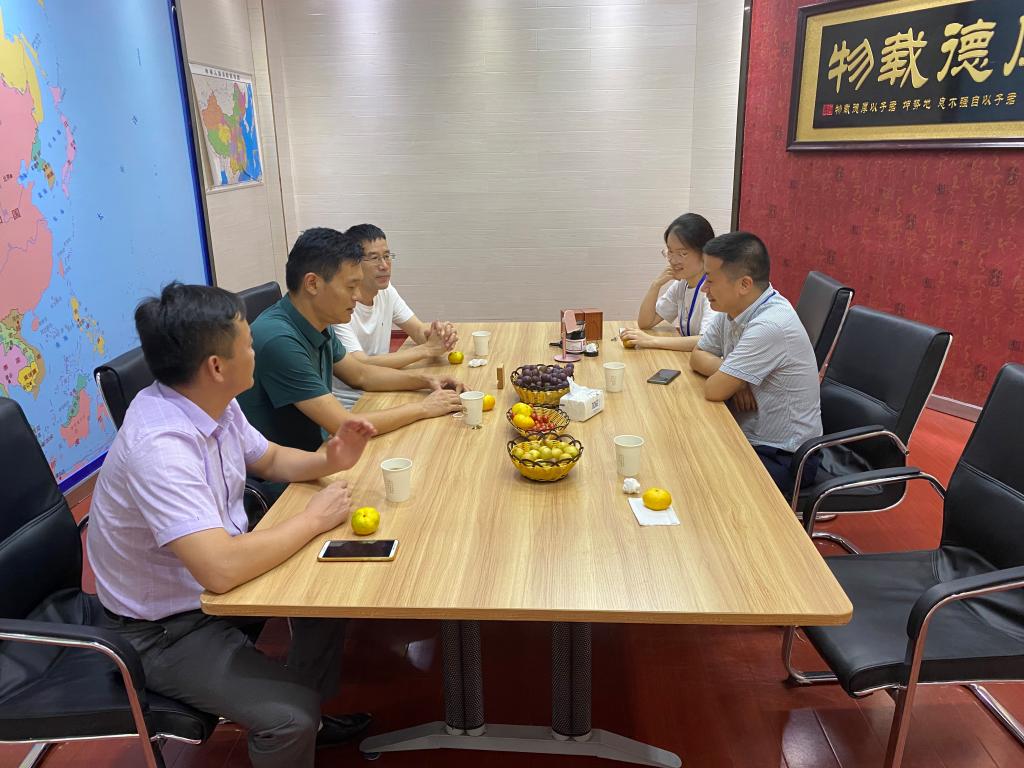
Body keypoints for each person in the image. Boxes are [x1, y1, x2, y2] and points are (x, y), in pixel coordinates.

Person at [87, 283, 377, 767]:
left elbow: (270, 458)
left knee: (329, 592)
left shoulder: (211, 401)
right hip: (163, 631)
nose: (255, 350)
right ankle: (299, 720)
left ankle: (310, 711)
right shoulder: (160, 446)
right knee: (288, 718)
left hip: (209, 591)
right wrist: (313, 518)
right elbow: (219, 570)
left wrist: (330, 458)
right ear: (216, 366)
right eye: (247, 343)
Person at [238, 227, 464, 461]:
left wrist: (426, 381)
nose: (357, 296)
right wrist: (423, 408)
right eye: (350, 286)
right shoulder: (279, 340)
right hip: (289, 471)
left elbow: (360, 374)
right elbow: (344, 425)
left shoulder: (318, 319)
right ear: (313, 284)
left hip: (318, 450)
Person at [689, 232, 822, 496]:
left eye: (711, 280)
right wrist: (738, 380)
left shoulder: (770, 325)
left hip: (784, 457)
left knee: (695, 473)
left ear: (744, 284)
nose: (704, 288)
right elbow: (697, 355)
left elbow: (714, 390)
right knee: (686, 448)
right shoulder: (734, 308)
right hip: (750, 436)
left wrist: (732, 378)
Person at [332, 223, 458, 408]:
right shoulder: (338, 306)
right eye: (374, 258)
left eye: (386, 256)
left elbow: (417, 330)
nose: (384, 265)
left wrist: (438, 335)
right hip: (354, 403)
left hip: (384, 387)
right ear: (353, 263)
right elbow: (360, 366)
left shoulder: (385, 289)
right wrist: (427, 349)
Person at [620, 213, 719, 352]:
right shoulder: (682, 284)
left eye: (682, 253)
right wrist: (656, 285)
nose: (673, 260)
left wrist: (651, 341)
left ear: (704, 253)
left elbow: (705, 341)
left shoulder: (713, 290)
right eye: (670, 251)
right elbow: (646, 322)